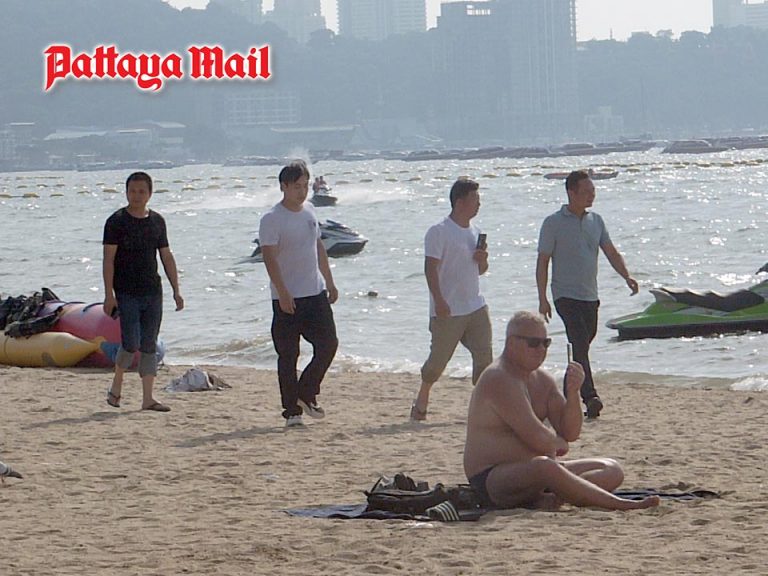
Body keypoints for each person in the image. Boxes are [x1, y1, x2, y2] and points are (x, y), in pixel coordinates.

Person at [463, 311, 659, 511]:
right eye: (533, 343)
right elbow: (538, 439)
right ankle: (620, 504)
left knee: (611, 469)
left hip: (539, 471)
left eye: (545, 343)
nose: (541, 349)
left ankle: (551, 498)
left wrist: (573, 393)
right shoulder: (499, 378)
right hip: (493, 478)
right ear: (512, 343)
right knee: (545, 466)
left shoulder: (542, 380)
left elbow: (570, 432)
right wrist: (557, 443)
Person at [536, 169, 638, 418]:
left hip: (590, 295)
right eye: (586, 191)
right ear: (571, 193)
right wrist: (543, 298)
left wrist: (627, 276)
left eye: (593, 191)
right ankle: (590, 397)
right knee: (580, 342)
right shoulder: (553, 223)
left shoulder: (596, 221)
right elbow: (543, 261)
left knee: (583, 345)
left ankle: (565, 394)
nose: (592, 195)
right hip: (564, 295)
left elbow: (611, 252)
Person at [259, 160, 339, 428]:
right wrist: (282, 292)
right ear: (284, 187)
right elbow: (269, 257)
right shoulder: (272, 219)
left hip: (315, 292)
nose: (302, 191)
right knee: (288, 355)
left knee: (328, 345)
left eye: (305, 186)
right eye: (297, 187)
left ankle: (306, 392)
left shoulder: (310, 211)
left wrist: (330, 282)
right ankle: (292, 411)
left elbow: (318, 248)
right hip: (287, 297)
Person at [411, 178, 492, 421]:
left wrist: (483, 259)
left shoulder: (476, 231)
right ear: (459, 202)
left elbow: (480, 270)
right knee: (437, 363)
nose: (479, 204)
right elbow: (430, 268)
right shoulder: (439, 231)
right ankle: (422, 399)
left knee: (484, 358)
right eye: (475, 199)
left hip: (475, 305)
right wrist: (439, 300)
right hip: (448, 308)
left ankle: (483, 408)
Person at [103, 171, 184, 412]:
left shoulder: (157, 221)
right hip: (126, 291)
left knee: (149, 344)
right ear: (126, 192)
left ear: (150, 193)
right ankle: (117, 383)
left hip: (152, 291)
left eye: (141, 191)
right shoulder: (116, 221)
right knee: (130, 343)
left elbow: (166, 256)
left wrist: (176, 290)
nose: (136, 196)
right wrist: (109, 295)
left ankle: (148, 398)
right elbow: (108, 260)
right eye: (132, 191)